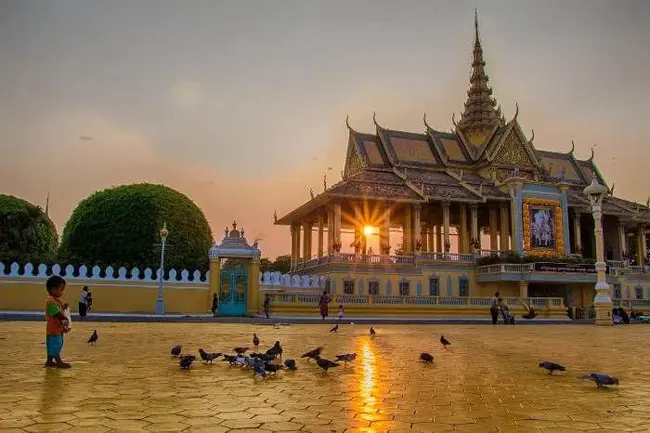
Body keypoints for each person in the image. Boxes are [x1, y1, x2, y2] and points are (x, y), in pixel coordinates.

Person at [45, 275, 71, 368]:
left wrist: (63, 307)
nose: (62, 292)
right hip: (55, 328)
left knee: (51, 344)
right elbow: (55, 313)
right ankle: (59, 361)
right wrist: (64, 318)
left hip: (53, 328)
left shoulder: (54, 300)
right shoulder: (51, 301)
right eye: (61, 289)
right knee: (56, 344)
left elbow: (58, 310)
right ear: (53, 289)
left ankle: (49, 361)